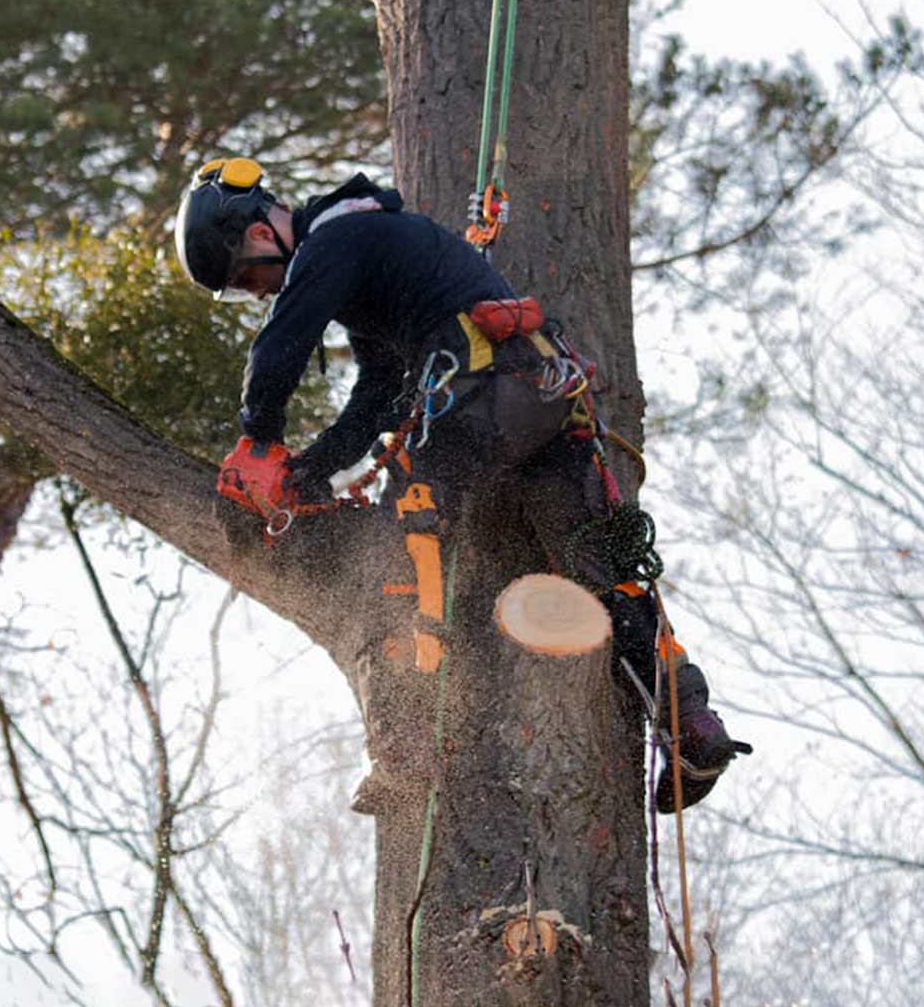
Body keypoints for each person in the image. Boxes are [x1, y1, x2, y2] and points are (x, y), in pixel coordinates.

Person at [174, 156, 751, 813]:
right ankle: (692, 723)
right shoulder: (375, 246)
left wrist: (257, 442)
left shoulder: (332, 239)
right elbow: (375, 393)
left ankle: (407, 747)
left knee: (401, 546)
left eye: (249, 280)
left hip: (477, 396)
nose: (259, 292)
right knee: (600, 563)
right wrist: (310, 466)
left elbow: (281, 342)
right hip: (543, 395)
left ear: (254, 235)